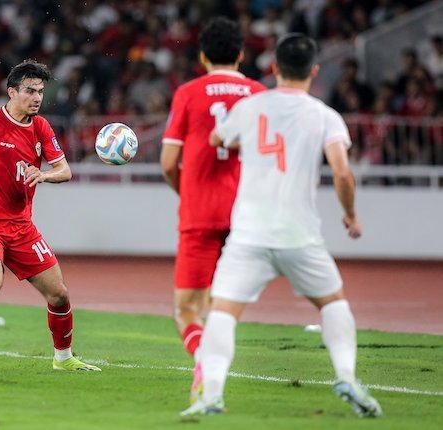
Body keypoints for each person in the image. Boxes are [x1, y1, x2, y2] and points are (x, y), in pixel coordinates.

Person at [180, 34, 382, 418]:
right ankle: (346, 377)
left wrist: (248, 145)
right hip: (299, 233)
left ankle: (213, 395)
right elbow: (342, 172)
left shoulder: (251, 107)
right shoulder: (325, 115)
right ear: (314, 71)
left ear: (274, 68)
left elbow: (216, 137)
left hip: (249, 234)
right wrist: (351, 215)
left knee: (222, 311)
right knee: (333, 302)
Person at [0, 60, 100, 372]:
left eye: (40, 91)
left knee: (59, 294)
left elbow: (65, 170)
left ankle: (63, 360)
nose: (37, 97)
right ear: (12, 92)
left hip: (22, 227)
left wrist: (45, 175)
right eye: (30, 91)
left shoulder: (41, 127)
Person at [160, 17, 265, 402]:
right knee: (221, 306)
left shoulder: (188, 93)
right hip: (246, 217)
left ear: (202, 56)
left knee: (187, 310)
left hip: (200, 213)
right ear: (240, 53)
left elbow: (169, 162)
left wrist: (185, 193)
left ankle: (204, 358)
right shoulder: (258, 93)